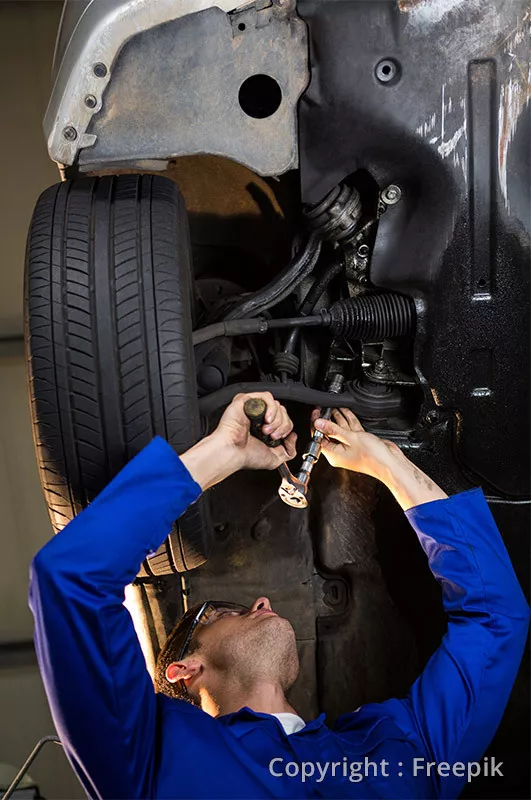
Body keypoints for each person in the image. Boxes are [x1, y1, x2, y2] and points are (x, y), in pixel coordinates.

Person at [29, 392, 529, 800]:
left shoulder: (397, 743)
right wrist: (386, 464)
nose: (263, 603)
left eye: (225, 610)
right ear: (182, 671)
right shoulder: (146, 755)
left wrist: (223, 452)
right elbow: (495, 618)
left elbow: (71, 578)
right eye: (227, 610)